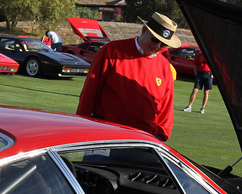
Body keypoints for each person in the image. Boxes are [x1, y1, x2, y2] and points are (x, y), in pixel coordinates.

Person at [77, 12, 180, 141]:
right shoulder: (112, 51)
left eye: (163, 44)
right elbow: (89, 91)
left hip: (142, 141)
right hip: (105, 135)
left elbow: (166, 107)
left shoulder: (165, 66)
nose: (157, 47)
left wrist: (160, 136)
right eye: (155, 40)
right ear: (144, 30)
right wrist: (82, 124)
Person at [181, 49, 213, 114]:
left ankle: (202, 108)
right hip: (200, 74)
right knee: (195, 90)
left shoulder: (211, 56)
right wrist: (196, 74)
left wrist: (212, 74)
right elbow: (195, 65)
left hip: (208, 74)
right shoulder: (200, 55)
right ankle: (189, 106)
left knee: (206, 91)